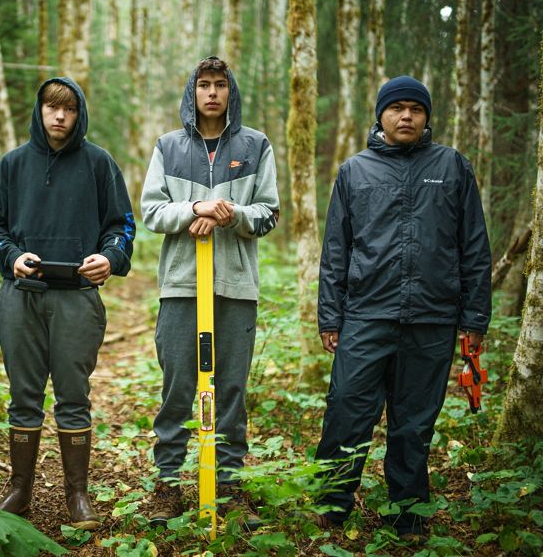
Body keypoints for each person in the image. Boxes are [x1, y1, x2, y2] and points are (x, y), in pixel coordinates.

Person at [314, 75, 492, 538]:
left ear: (427, 116)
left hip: (432, 318)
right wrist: (330, 315)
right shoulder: (355, 170)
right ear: (381, 116)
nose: (406, 116)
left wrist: (475, 317)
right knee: (347, 411)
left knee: (414, 422)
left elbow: (473, 244)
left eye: (415, 108)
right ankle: (333, 504)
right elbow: (337, 247)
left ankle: (408, 510)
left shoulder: (452, 166)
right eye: (397, 108)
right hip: (366, 315)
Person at [0, 77, 135, 530]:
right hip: (22, 298)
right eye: (52, 107)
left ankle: (78, 496)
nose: (60, 116)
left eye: (68, 109)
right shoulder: (12, 165)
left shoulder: (99, 164)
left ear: (78, 113)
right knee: (23, 397)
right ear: (41, 110)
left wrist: (108, 258)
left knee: (73, 397)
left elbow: (122, 226)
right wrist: (11, 257)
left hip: (78, 300)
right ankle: (20, 489)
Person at [140, 56, 279, 530]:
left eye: (220, 85)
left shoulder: (256, 145)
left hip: (236, 286)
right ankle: (168, 481)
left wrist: (230, 214)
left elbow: (269, 213)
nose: (213, 93)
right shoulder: (169, 146)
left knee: (232, 387)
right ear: (192, 92)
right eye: (204, 85)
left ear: (230, 91)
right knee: (178, 384)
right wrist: (196, 206)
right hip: (181, 284)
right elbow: (153, 212)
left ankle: (230, 481)